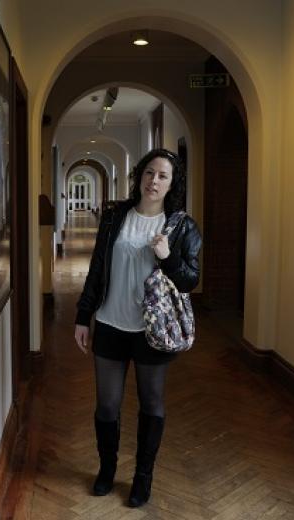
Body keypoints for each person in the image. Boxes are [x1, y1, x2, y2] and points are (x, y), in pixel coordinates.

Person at [74, 148, 202, 507]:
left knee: (152, 403)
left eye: (163, 176)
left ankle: (143, 476)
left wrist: (168, 256)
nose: (154, 181)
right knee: (107, 405)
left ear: (172, 184)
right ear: (139, 176)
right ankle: (107, 469)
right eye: (150, 173)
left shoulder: (182, 227)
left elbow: (190, 280)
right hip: (112, 324)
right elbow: (97, 268)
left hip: (153, 331)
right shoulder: (116, 217)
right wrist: (83, 316)